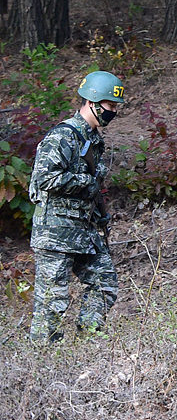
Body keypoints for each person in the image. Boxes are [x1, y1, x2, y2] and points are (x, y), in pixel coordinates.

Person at [29, 71, 125, 342]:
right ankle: (41, 359)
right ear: (93, 101)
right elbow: (43, 178)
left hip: (82, 231)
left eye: (116, 106)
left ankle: (87, 341)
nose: (114, 112)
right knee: (51, 301)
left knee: (104, 282)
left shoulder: (94, 140)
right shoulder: (62, 136)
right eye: (111, 105)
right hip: (55, 232)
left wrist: (100, 217)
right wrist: (84, 181)